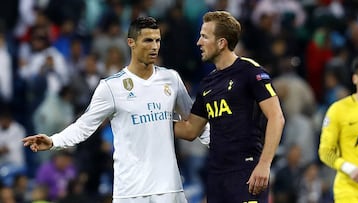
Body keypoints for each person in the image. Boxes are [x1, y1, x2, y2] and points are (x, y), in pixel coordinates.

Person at [23, 16, 197, 203]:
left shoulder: (171, 79)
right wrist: (54, 141)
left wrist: (224, 143)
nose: (154, 46)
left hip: (169, 188)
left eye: (157, 40)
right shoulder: (111, 87)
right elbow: (84, 126)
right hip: (131, 191)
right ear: (131, 42)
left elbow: (196, 121)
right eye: (148, 40)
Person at [174, 11, 285, 203]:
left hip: (248, 172)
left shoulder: (250, 72)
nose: (198, 42)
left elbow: (277, 117)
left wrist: (264, 164)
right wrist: (155, 121)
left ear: (221, 43)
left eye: (204, 36)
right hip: (217, 177)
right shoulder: (207, 84)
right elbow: (191, 129)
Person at [318, 56, 358, 203]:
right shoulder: (339, 109)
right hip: (349, 190)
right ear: (355, 78)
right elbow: (325, 151)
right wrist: (349, 168)